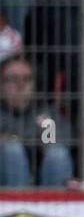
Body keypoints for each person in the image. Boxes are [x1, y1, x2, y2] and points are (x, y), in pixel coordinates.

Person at [0, 53, 74, 187]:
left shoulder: (47, 112)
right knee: (12, 149)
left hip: (43, 179)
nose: (20, 85)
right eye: (13, 79)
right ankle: (17, 205)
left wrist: (46, 137)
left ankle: (55, 206)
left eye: (26, 79)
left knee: (57, 154)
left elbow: (60, 145)